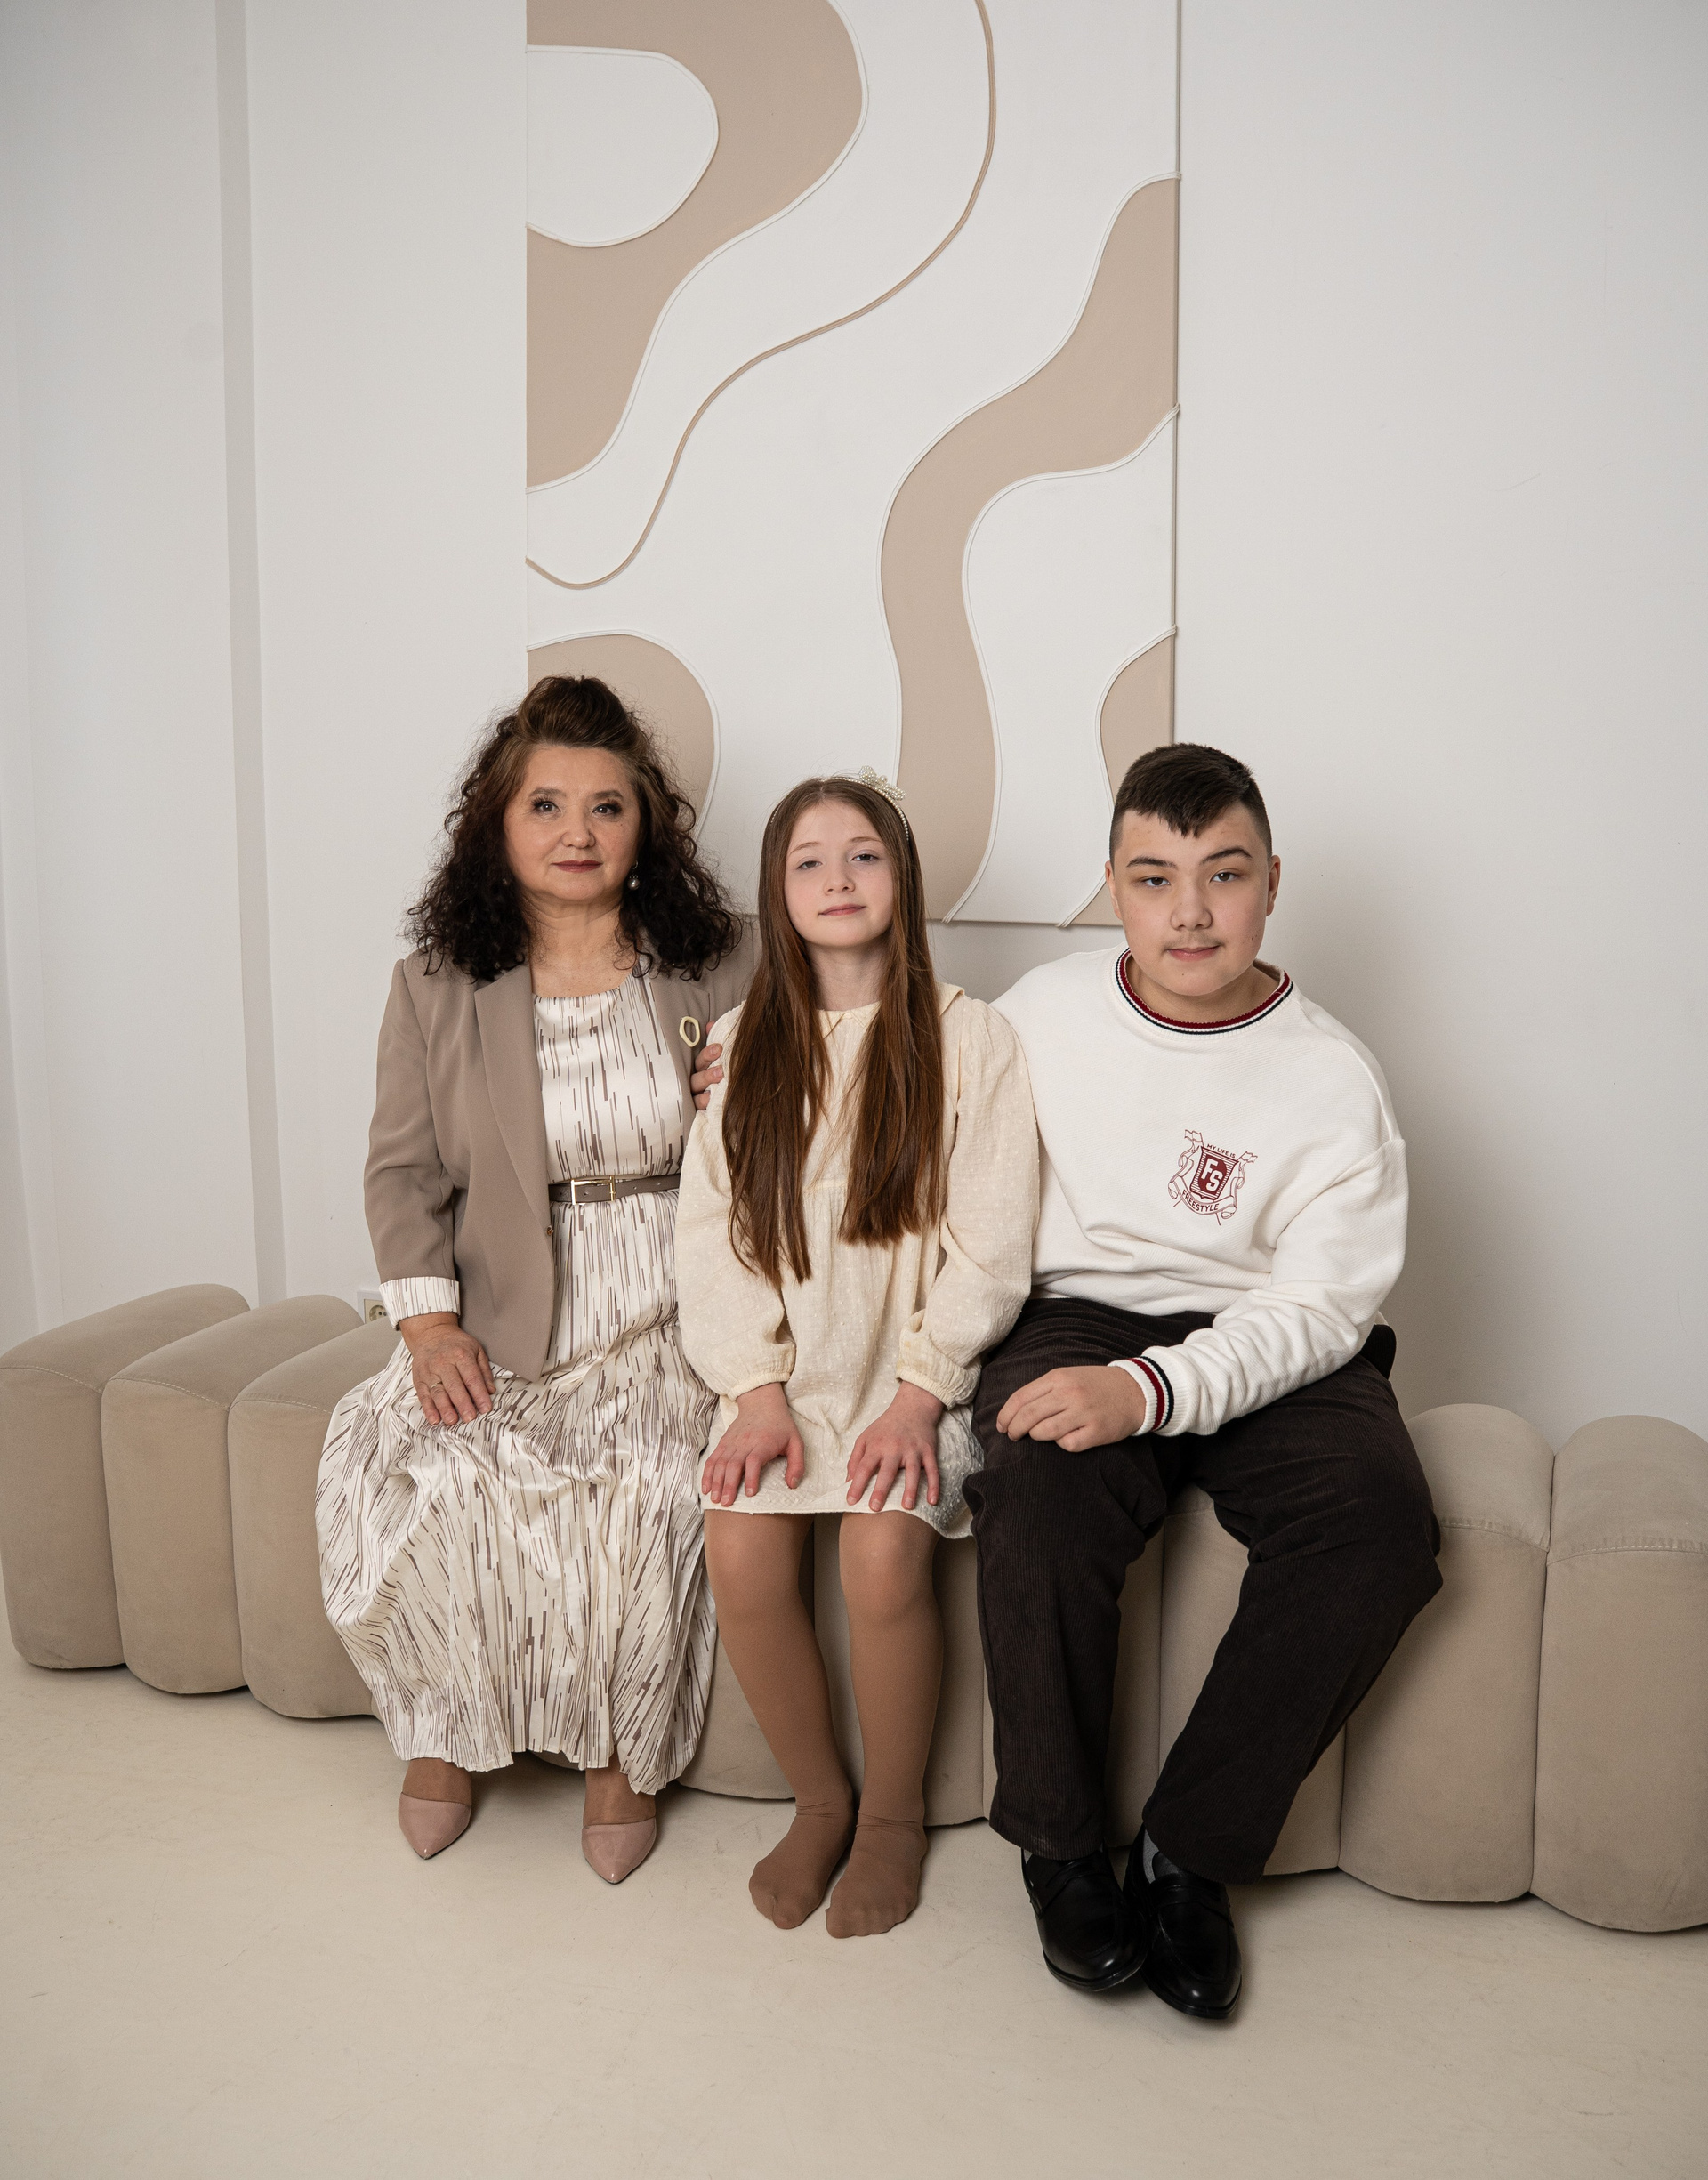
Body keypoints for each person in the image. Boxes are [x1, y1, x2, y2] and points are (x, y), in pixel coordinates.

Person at [966, 741, 1442, 2014]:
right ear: (1111, 886)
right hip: (1076, 1311)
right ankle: (1061, 1844)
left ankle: (1190, 1850)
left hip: (1272, 1328)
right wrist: (750, 1062)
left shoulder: (1334, 1079)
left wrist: (1152, 1391)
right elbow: (897, 1098)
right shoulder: (1037, 1013)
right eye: (1154, 878)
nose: (1190, 912)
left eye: (1224, 875)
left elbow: (1321, 1306)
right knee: (1035, 1481)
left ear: (1272, 883)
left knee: (1380, 1522)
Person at [317, 675, 754, 1875]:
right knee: (441, 1474)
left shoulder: (720, 961)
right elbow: (402, 1170)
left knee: (647, 1487)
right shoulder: (435, 982)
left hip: (672, 1300)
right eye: (546, 805)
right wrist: (428, 1330)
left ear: (645, 826)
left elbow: (813, 1110)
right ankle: (445, 1738)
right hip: (505, 1301)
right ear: (497, 824)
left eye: (608, 806)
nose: (578, 832)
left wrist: (757, 1093)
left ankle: (622, 1755)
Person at [675, 774, 1036, 1938]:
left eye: (864, 855)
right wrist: (754, 1390)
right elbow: (715, 1233)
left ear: (904, 878)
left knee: (882, 1561)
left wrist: (923, 1394)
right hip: (782, 1379)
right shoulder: (740, 1047)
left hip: (911, 1377)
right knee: (739, 1549)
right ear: (777, 893)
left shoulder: (970, 1038)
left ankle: (891, 1816)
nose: (838, 878)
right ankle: (821, 1800)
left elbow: (992, 1243)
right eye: (809, 861)